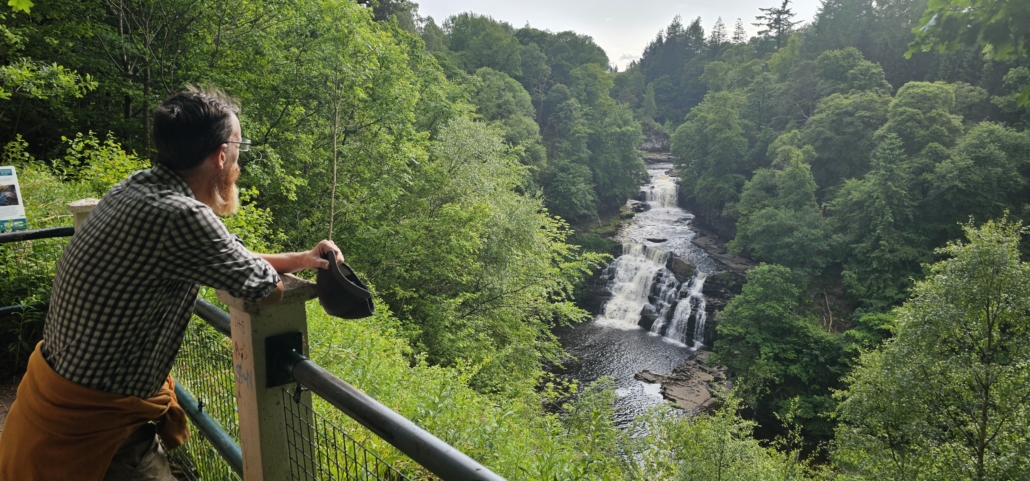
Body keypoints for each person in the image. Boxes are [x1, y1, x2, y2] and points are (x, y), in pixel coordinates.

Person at [0, 86, 343, 481]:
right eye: (238, 148)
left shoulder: (135, 188)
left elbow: (226, 255)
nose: (238, 161)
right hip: (97, 438)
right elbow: (263, 288)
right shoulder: (182, 217)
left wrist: (302, 258)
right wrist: (292, 273)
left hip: (48, 412)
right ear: (220, 156)